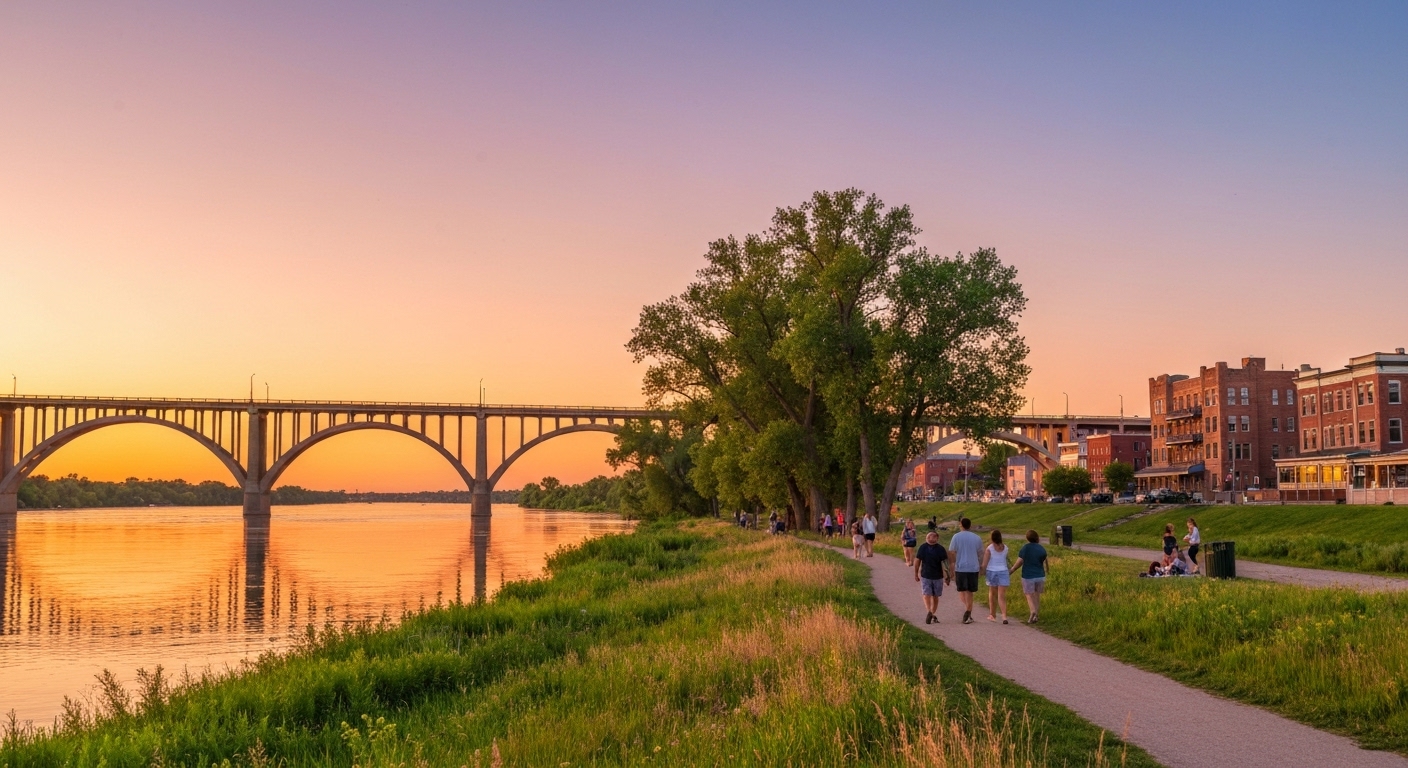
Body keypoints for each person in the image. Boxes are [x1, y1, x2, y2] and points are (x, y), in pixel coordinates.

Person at [948, 518, 983, 624]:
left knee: (962, 590)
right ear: (970, 525)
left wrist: (952, 565)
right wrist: (981, 565)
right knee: (969, 591)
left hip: (960, 566)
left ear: (961, 525)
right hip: (973, 567)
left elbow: (952, 552)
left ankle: (968, 611)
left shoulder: (956, 537)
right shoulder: (977, 538)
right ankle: (968, 611)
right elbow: (980, 553)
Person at [1010, 529, 1048, 624]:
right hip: (1040, 575)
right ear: (1037, 538)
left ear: (1027, 538)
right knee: (1037, 595)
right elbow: (1044, 561)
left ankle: (1032, 611)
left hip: (1028, 576)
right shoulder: (1041, 548)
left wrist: (1012, 570)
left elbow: (1020, 562)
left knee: (1029, 594)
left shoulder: (1025, 548)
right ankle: (1036, 616)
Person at [913, 530, 951, 625]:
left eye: (933, 536)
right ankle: (930, 612)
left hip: (935, 576)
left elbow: (945, 564)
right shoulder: (924, 548)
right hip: (928, 575)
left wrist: (948, 576)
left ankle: (931, 613)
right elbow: (917, 561)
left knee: (932, 595)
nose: (930, 538)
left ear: (937, 538)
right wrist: (916, 573)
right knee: (929, 595)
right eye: (929, 536)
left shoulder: (940, 549)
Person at [979, 529, 1011, 624]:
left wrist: (981, 571)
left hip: (992, 571)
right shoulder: (1005, 548)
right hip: (1003, 571)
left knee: (992, 594)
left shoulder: (990, 548)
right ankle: (1004, 616)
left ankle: (992, 615)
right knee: (1001, 595)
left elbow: (984, 564)